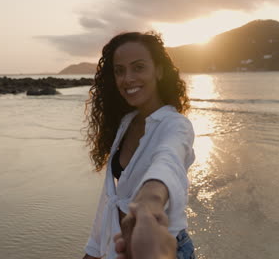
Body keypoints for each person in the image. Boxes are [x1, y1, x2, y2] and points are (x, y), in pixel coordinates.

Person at [83, 31, 196, 259]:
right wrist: (93, 251)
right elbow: (110, 200)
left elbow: (168, 161)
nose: (127, 78)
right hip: (122, 246)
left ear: (159, 71)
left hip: (161, 248)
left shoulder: (176, 125)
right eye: (119, 71)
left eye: (138, 67)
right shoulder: (126, 123)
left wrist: (148, 205)